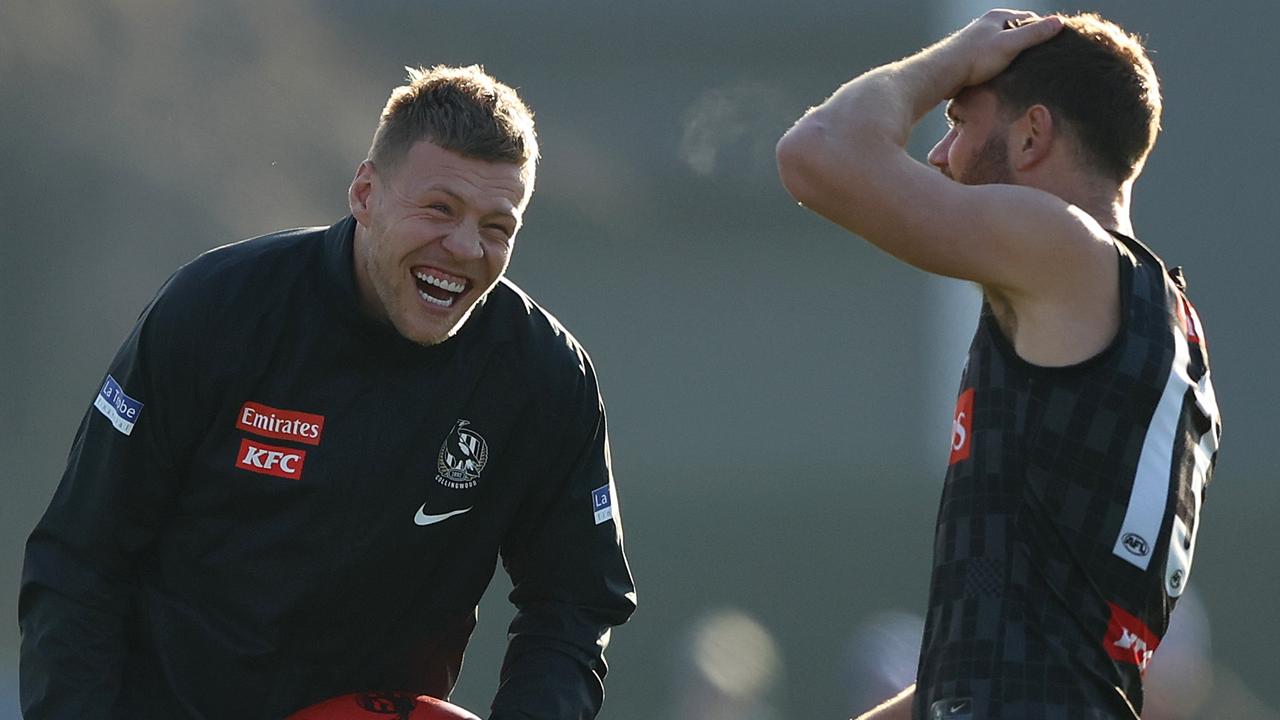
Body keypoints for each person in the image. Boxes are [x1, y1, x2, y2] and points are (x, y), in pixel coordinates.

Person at [19, 64, 636, 720]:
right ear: (365, 193)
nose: (463, 247)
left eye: (496, 227)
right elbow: (80, 560)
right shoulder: (218, 310)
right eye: (439, 209)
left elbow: (574, 605)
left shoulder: (545, 378)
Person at [777, 9, 1220, 720]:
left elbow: (818, 151)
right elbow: (1003, 672)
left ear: (1032, 133)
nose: (939, 154)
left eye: (958, 122)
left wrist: (957, 54)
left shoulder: (1068, 251)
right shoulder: (1168, 324)